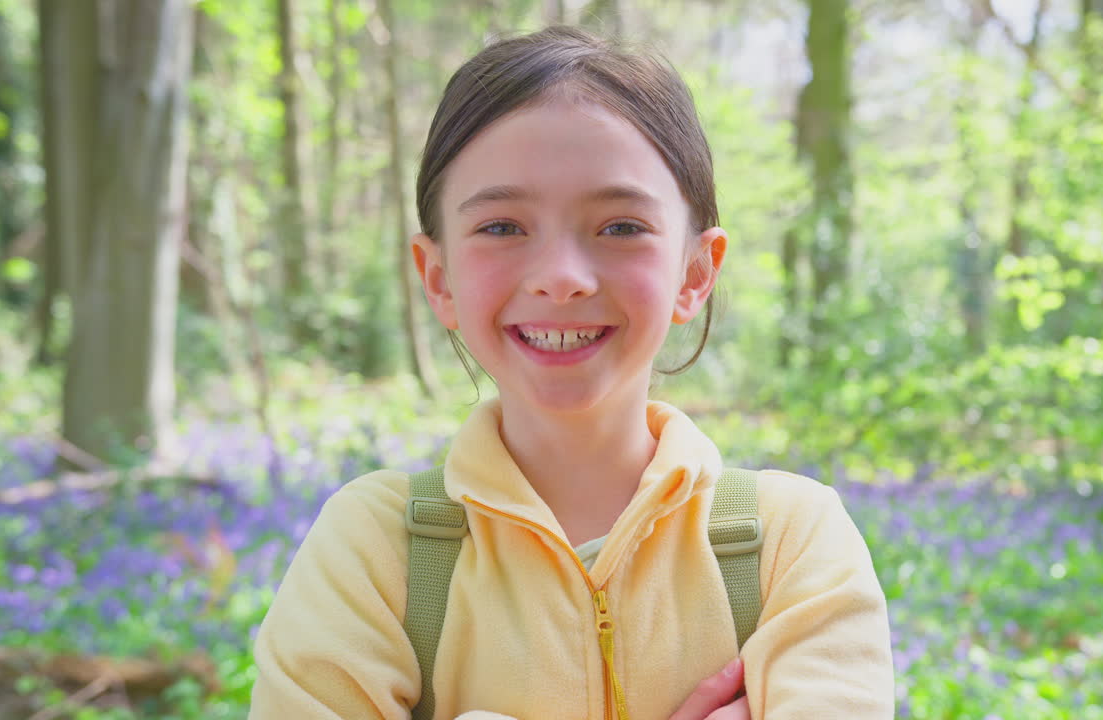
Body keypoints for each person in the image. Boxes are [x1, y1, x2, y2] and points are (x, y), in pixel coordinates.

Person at [248, 25, 893, 720]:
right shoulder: (375, 552)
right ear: (438, 277)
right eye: (501, 227)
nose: (560, 279)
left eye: (620, 227)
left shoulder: (789, 546)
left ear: (695, 271)